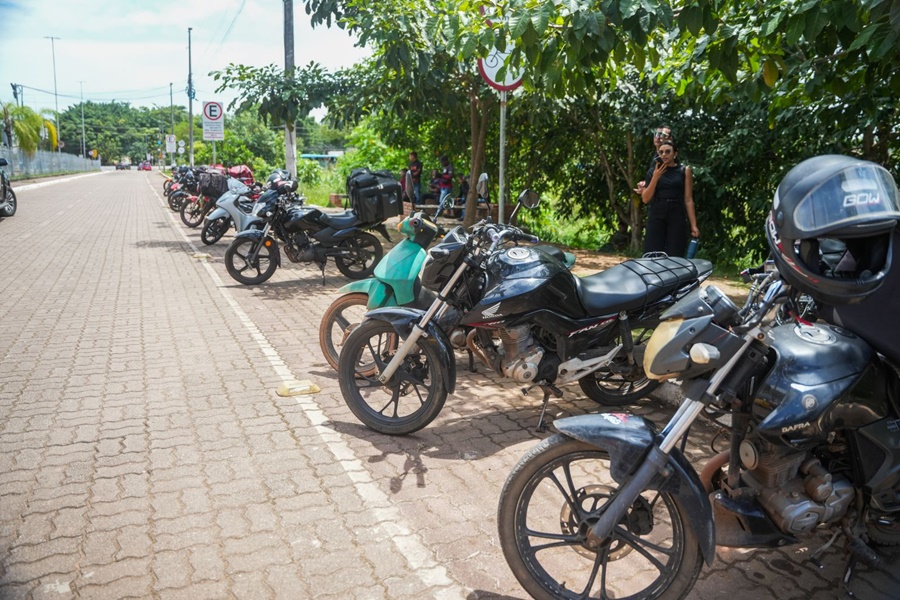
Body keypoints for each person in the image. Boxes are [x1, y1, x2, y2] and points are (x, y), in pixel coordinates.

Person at [641, 140, 699, 257]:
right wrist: (655, 177)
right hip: (657, 212)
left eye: (668, 152)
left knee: (675, 252)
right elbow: (646, 199)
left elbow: (688, 199)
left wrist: (694, 225)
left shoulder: (684, 171)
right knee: (652, 252)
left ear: (675, 154)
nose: (664, 155)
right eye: (661, 152)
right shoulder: (653, 171)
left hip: (676, 212)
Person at [634, 125, 674, 196]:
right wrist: (645, 184)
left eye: (662, 135)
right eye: (656, 134)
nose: (658, 137)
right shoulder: (655, 156)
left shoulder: (670, 158)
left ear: (670, 139)